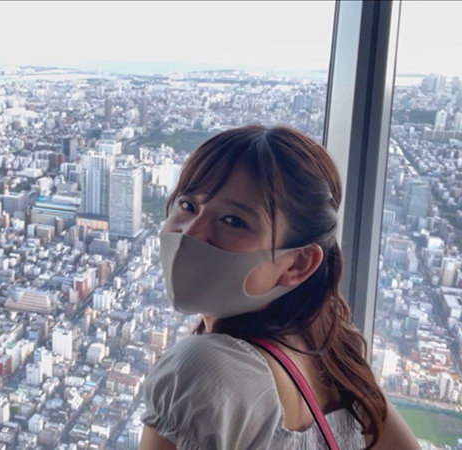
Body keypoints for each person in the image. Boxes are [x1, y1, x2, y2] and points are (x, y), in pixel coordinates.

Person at [138, 125, 419, 450]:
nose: (191, 232)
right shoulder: (335, 354)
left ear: (297, 263)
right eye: (188, 205)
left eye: (233, 221)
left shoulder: (204, 370)